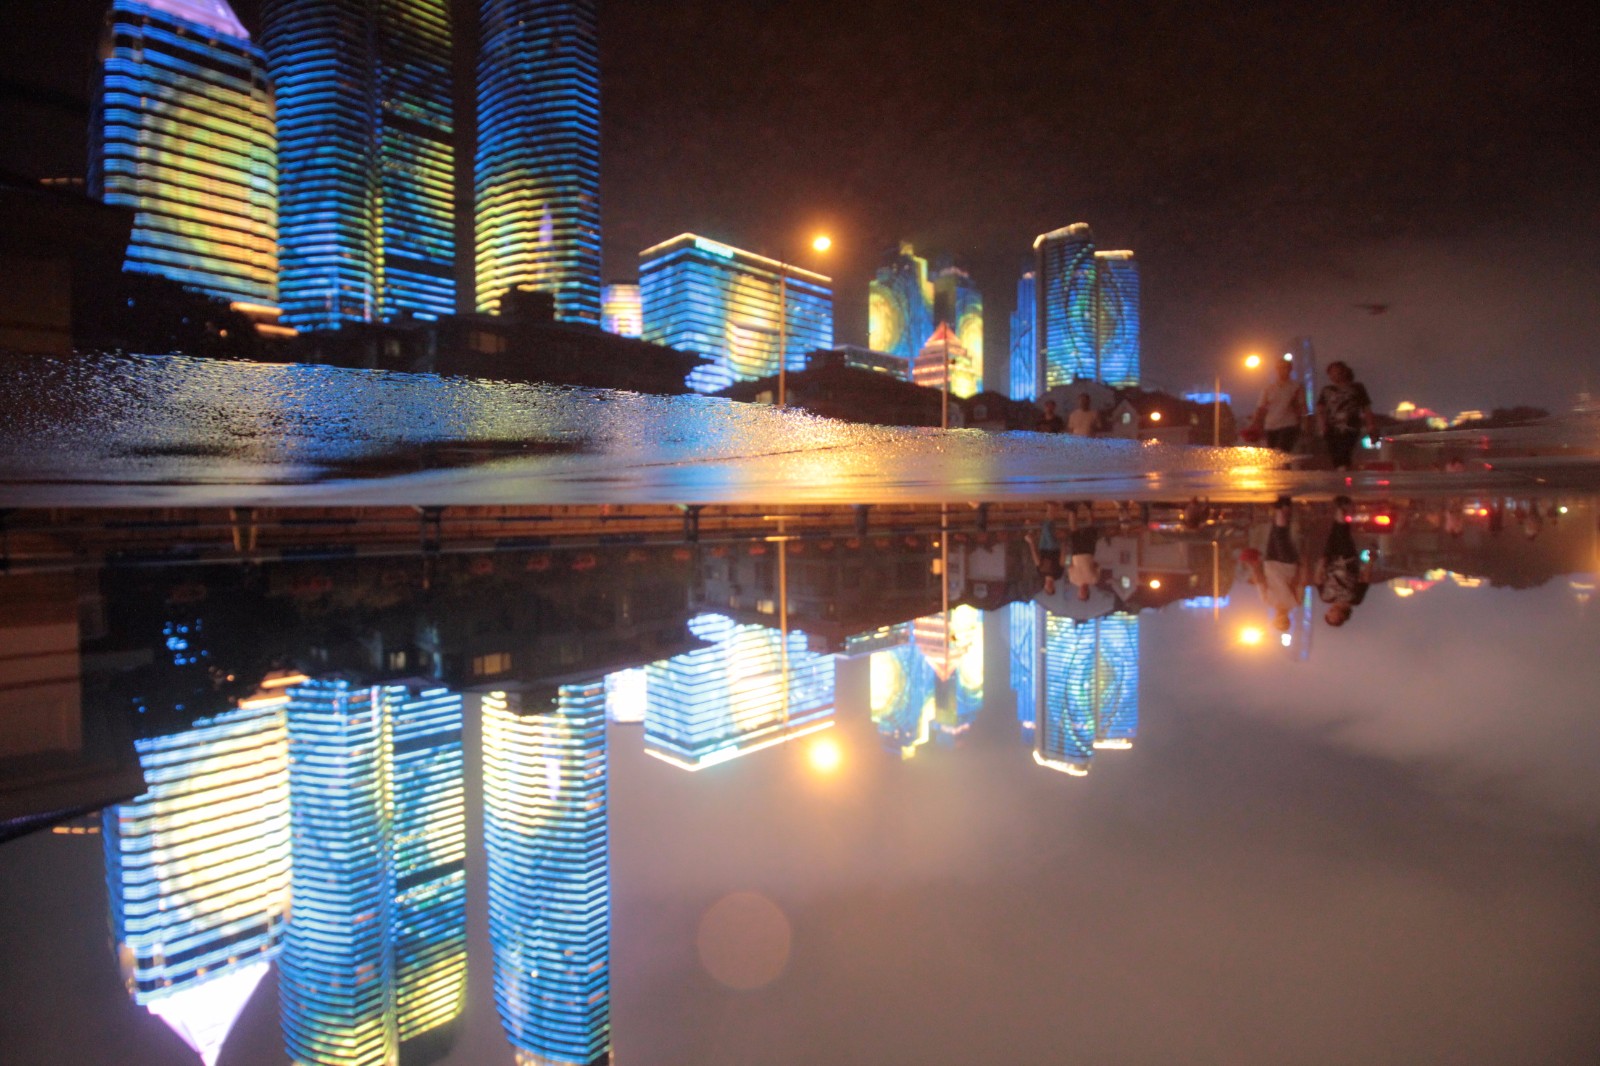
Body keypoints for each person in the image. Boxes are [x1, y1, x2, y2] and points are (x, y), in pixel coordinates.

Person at [1241, 496, 1308, 632]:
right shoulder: (1295, 602)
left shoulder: (1268, 601)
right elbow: (1302, 583)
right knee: (1280, 535)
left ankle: (1284, 508)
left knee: (1276, 533)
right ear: (1287, 619)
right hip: (1287, 564)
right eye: (1283, 621)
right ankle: (1281, 507)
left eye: (1278, 621)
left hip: (1270, 564)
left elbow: (1261, 582)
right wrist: (1304, 565)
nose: (1279, 618)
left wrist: (1254, 566)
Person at [1315, 498, 1370, 626]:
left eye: (1328, 615)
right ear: (1341, 617)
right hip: (1348, 562)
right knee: (1342, 535)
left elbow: (1318, 580)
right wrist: (1370, 562)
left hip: (1330, 562)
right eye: (1332, 616)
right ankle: (1341, 508)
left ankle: (1342, 509)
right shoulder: (1355, 599)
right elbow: (1364, 580)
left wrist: (1320, 565)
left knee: (1336, 534)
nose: (1329, 613)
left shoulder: (1326, 597)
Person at [1316, 361, 1374, 470]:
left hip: (1351, 426)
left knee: (1345, 451)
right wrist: (1322, 426)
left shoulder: (1357, 388)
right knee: (1335, 454)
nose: (1334, 375)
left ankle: (1345, 475)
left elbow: (1366, 408)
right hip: (1331, 428)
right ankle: (1341, 476)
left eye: (1337, 372)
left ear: (1344, 372)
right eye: (1331, 373)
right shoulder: (1327, 390)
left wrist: (1371, 426)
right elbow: (1320, 410)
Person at [1254, 359, 1307, 453]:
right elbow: (1261, 407)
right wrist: (1255, 423)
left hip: (1289, 423)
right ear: (1277, 370)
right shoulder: (1269, 388)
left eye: (1286, 368)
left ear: (1290, 369)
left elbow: (1302, 405)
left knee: (1282, 451)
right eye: (1280, 368)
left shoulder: (1296, 387)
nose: (1283, 370)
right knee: (1273, 454)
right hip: (1271, 425)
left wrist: (1305, 422)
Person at [1024, 513, 1065, 595]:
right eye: (1051, 588)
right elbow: (1063, 560)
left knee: (1045, 530)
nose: (1049, 586)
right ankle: (1051, 509)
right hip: (1054, 548)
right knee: (1047, 529)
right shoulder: (1058, 575)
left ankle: (1048, 513)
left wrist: (1031, 544)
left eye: (1047, 588)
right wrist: (1063, 544)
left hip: (1042, 548)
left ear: (1045, 586)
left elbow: (1036, 559)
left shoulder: (1041, 573)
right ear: (1054, 587)